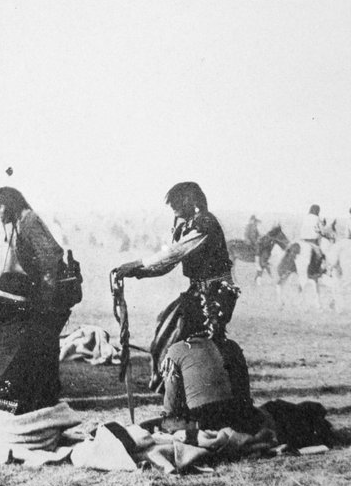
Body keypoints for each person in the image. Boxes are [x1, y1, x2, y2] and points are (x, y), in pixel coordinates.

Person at [114, 182, 237, 391]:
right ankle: (173, 385)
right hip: (199, 291)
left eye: (176, 203)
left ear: (190, 200)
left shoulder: (205, 223)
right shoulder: (188, 225)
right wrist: (139, 273)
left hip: (216, 294)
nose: (173, 207)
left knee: (181, 336)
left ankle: (180, 388)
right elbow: (168, 263)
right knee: (166, 324)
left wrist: (138, 264)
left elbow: (174, 253)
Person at [0, 186, 67, 412]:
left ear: (10, 204)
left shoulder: (29, 222)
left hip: (53, 292)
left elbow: (50, 263)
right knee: (40, 342)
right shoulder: (19, 224)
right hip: (45, 291)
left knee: (43, 341)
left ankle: (46, 397)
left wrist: (45, 301)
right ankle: (42, 395)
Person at [159, 298, 269, 436]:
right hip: (241, 420)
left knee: (162, 423)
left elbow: (171, 408)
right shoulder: (232, 346)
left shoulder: (176, 350)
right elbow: (244, 397)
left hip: (204, 423)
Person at [298, 204, 327, 273]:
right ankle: (319, 269)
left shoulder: (305, 217)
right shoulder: (317, 218)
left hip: (302, 240)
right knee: (320, 255)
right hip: (313, 241)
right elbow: (322, 231)